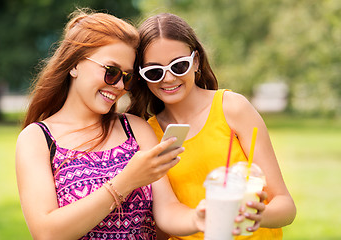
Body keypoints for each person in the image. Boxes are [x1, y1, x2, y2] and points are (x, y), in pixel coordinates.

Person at [15, 9, 211, 240]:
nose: (119, 85)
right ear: (74, 64)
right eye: (111, 72)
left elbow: (167, 211)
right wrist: (126, 182)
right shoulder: (37, 138)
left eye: (127, 77)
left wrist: (198, 218)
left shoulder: (135, 129)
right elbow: (47, 233)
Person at [127, 13, 297, 240]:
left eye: (178, 66)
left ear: (195, 61)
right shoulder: (146, 133)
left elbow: (285, 205)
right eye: (155, 71)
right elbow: (165, 216)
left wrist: (259, 216)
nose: (167, 79)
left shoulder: (233, 108)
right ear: (142, 76)